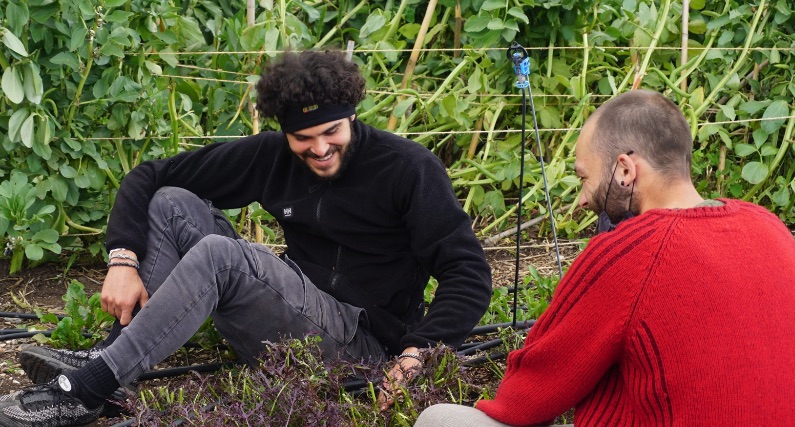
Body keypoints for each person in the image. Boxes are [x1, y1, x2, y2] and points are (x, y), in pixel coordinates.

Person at [0, 50, 492, 426]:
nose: (320, 148)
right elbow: (148, 176)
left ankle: (89, 388)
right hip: (292, 316)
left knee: (223, 256)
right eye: (304, 138)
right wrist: (123, 258)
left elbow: (467, 272)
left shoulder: (407, 169)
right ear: (285, 132)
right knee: (172, 200)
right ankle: (117, 353)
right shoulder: (272, 154)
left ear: (353, 117)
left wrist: (416, 352)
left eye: (332, 131)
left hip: (360, 346)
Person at [414, 90, 795, 427]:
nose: (582, 199)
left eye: (584, 178)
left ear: (625, 170)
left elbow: (527, 399)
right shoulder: (772, 227)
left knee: (439, 420)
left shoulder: (633, 252)